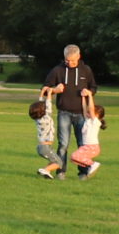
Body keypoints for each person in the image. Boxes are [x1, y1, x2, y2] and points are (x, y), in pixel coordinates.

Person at [44, 45, 101, 178]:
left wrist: (89, 92)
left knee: (82, 145)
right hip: (64, 112)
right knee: (63, 144)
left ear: (79, 56)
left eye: (73, 61)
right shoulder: (57, 70)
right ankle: (61, 171)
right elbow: (45, 87)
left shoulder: (86, 70)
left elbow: (93, 86)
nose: (70, 63)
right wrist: (55, 89)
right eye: (67, 60)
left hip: (81, 114)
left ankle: (83, 172)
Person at [32, 93, 64, 180]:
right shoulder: (46, 118)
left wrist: (42, 93)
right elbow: (48, 104)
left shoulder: (37, 119)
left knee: (53, 161)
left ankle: (47, 172)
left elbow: (41, 105)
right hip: (45, 147)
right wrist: (49, 93)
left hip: (41, 147)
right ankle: (44, 170)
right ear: (43, 111)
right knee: (59, 163)